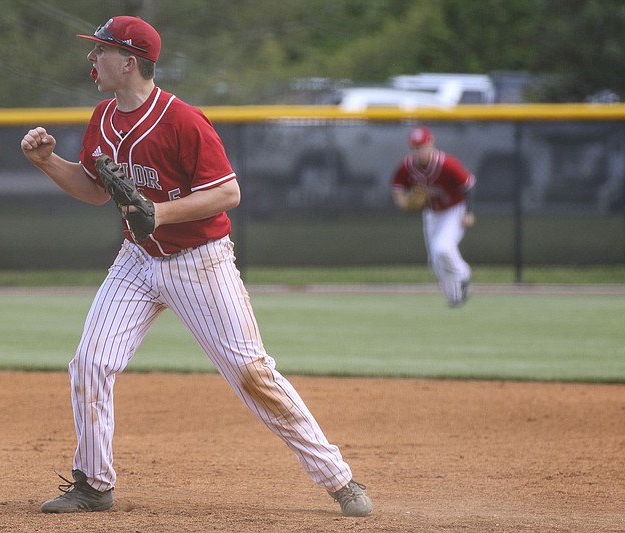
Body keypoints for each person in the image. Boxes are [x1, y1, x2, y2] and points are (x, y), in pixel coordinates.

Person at [20, 15, 372, 518]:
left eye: (101, 51)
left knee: (252, 373)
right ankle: (93, 484)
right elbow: (96, 192)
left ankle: (340, 480)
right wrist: (49, 164)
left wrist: (158, 213)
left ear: (130, 61)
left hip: (200, 263)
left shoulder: (182, 120)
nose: (92, 59)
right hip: (137, 260)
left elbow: (228, 192)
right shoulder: (102, 117)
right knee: (91, 363)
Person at [391, 126, 476, 307]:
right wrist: (404, 203)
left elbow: (468, 185)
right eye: (414, 147)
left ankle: (463, 274)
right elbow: (397, 187)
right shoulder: (408, 165)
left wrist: (469, 212)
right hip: (431, 214)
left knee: (442, 248)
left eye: (421, 146)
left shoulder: (447, 164)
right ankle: (456, 297)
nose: (418, 151)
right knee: (435, 261)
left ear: (431, 143)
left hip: (453, 211)